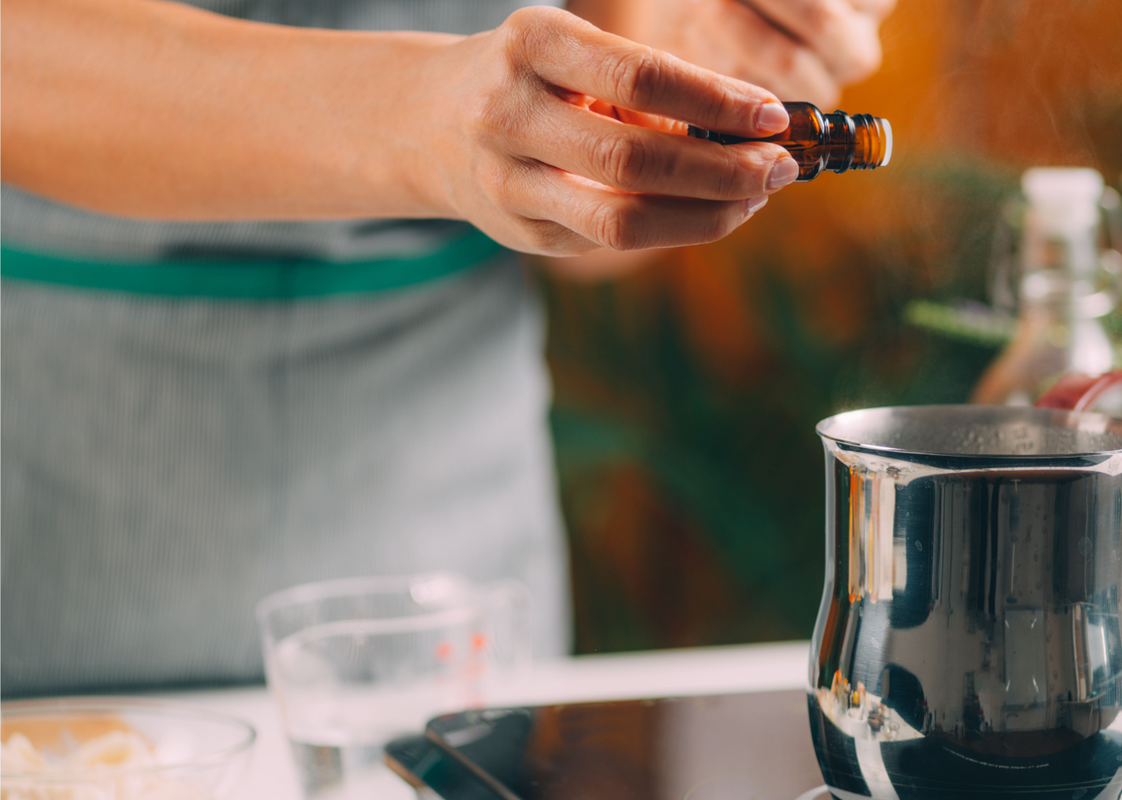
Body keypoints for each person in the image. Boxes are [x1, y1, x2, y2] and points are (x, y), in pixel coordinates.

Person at [0, 0, 893, 697]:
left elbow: (597, 231)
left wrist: (673, 79)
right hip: (58, 458)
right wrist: (414, 115)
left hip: (439, 495)